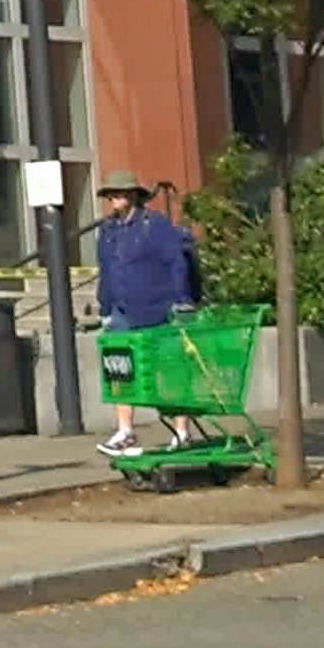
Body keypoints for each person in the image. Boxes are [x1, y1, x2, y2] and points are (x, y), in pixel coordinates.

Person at [91, 173, 203, 458]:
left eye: (119, 193)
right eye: (110, 194)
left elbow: (176, 262)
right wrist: (105, 307)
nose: (114, 199)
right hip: (121, 310)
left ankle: (182, 431)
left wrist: (182, 300)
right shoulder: (108, 230)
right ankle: (125, 431)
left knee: (171, 368)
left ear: (134, 195)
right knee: (120, 370)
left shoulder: (155, 225)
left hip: (157, 308)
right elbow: (106, 270)